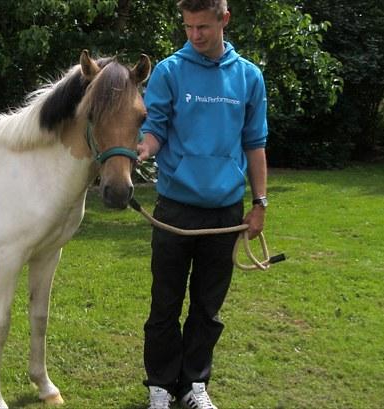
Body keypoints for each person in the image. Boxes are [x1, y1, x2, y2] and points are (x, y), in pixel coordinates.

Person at [136, 1, 268, 408]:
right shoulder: (170, 71)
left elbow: (255, 143)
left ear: (224, 19)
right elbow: (155, 127)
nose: (195, 35)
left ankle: (194, 385)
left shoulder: (248, 77)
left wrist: (259, 202)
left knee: (207, 308)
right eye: (189, 27)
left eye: (204, 27)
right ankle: (160, 385)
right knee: (165, 305)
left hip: (225, 214)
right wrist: (139, 150)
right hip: (175, 209)